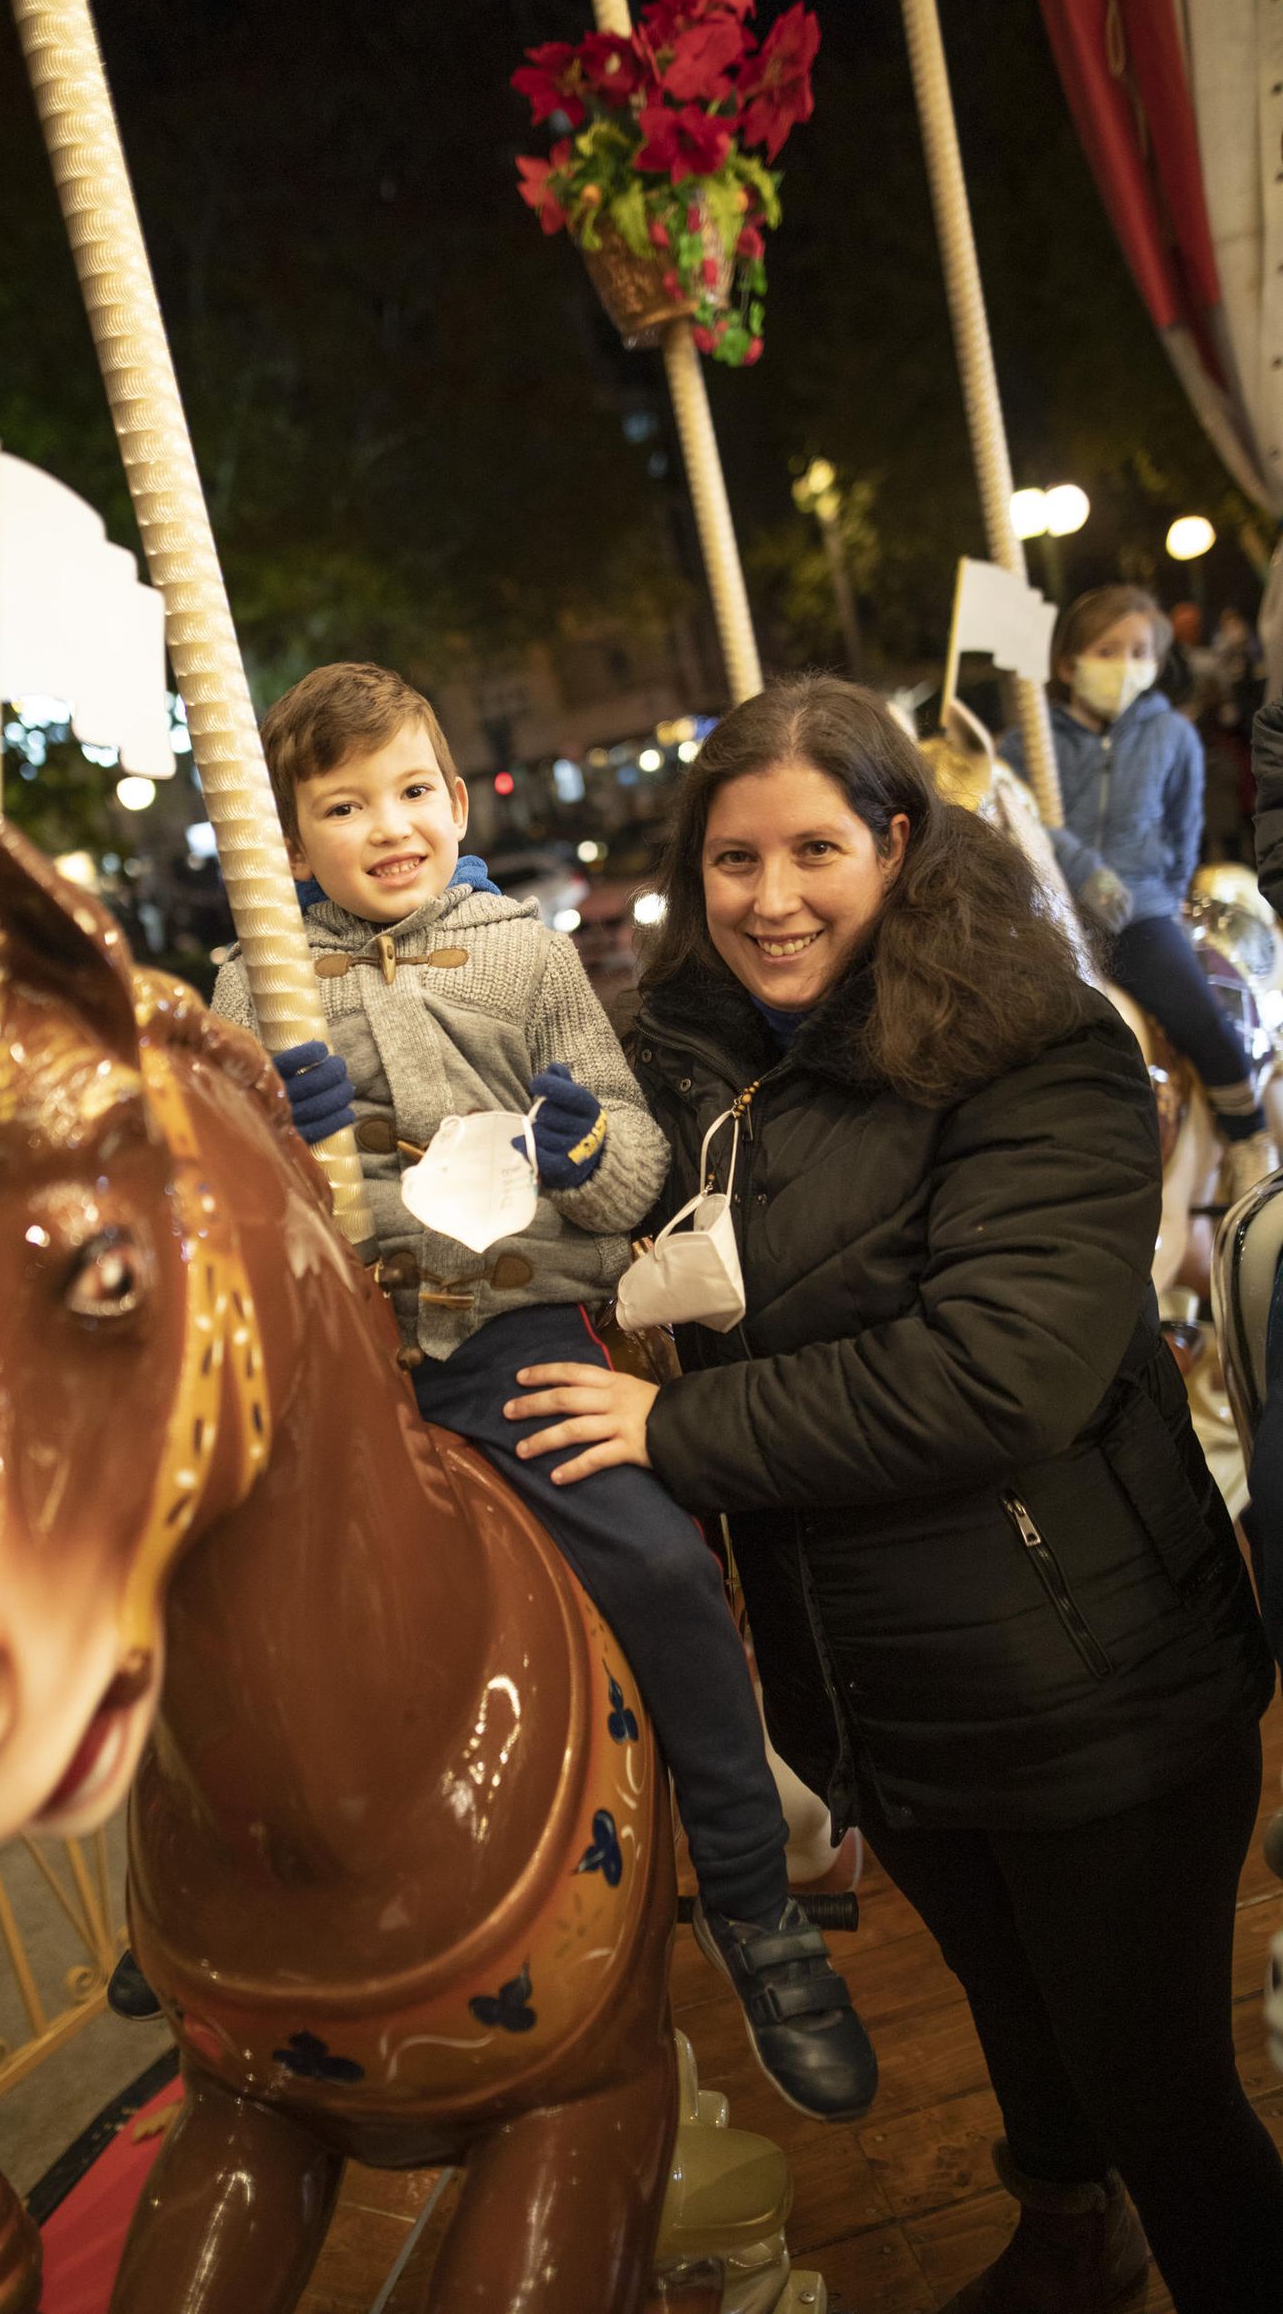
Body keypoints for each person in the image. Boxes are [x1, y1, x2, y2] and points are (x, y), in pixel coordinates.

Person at [506, 676, 1282, 2314]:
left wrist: (677, 1433)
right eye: (733, 858)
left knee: (1159, 2081)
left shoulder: (1039, 1045)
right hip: (882, 1688)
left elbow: (1004, 1374)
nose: (771, 896)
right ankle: (1075, 2235)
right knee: (1023, 2022)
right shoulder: (700, 1079)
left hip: (1093, 1682)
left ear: (900, 841)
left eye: (813, 848)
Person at [210, 660, 876, 2119]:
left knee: (656, 1561)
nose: (389, 827)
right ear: (286, 836)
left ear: (455, 799)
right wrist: (272, 1136)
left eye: (410, 792)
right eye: (343, 805)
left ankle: (757, 1899)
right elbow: (228, 1212)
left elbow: (642, 1172)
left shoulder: (522, 952)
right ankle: (206, 1879)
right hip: (346, 1353)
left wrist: (582, 1148)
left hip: (506, 1329)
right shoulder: (251, 981)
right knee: (192, 1561)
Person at [1002, 584, 1274, 1200]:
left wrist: (1153, 895)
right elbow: (1017, 815)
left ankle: (1248, 1135)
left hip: (1139, 913)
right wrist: (1077, 866)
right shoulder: (1029, 742)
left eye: (1139, 651)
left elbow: (1183, 832)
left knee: (1196, 1011)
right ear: (1069, 664)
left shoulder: (1171, 737)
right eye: (1108, 650)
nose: (1125, 665)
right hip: (1052, 908)